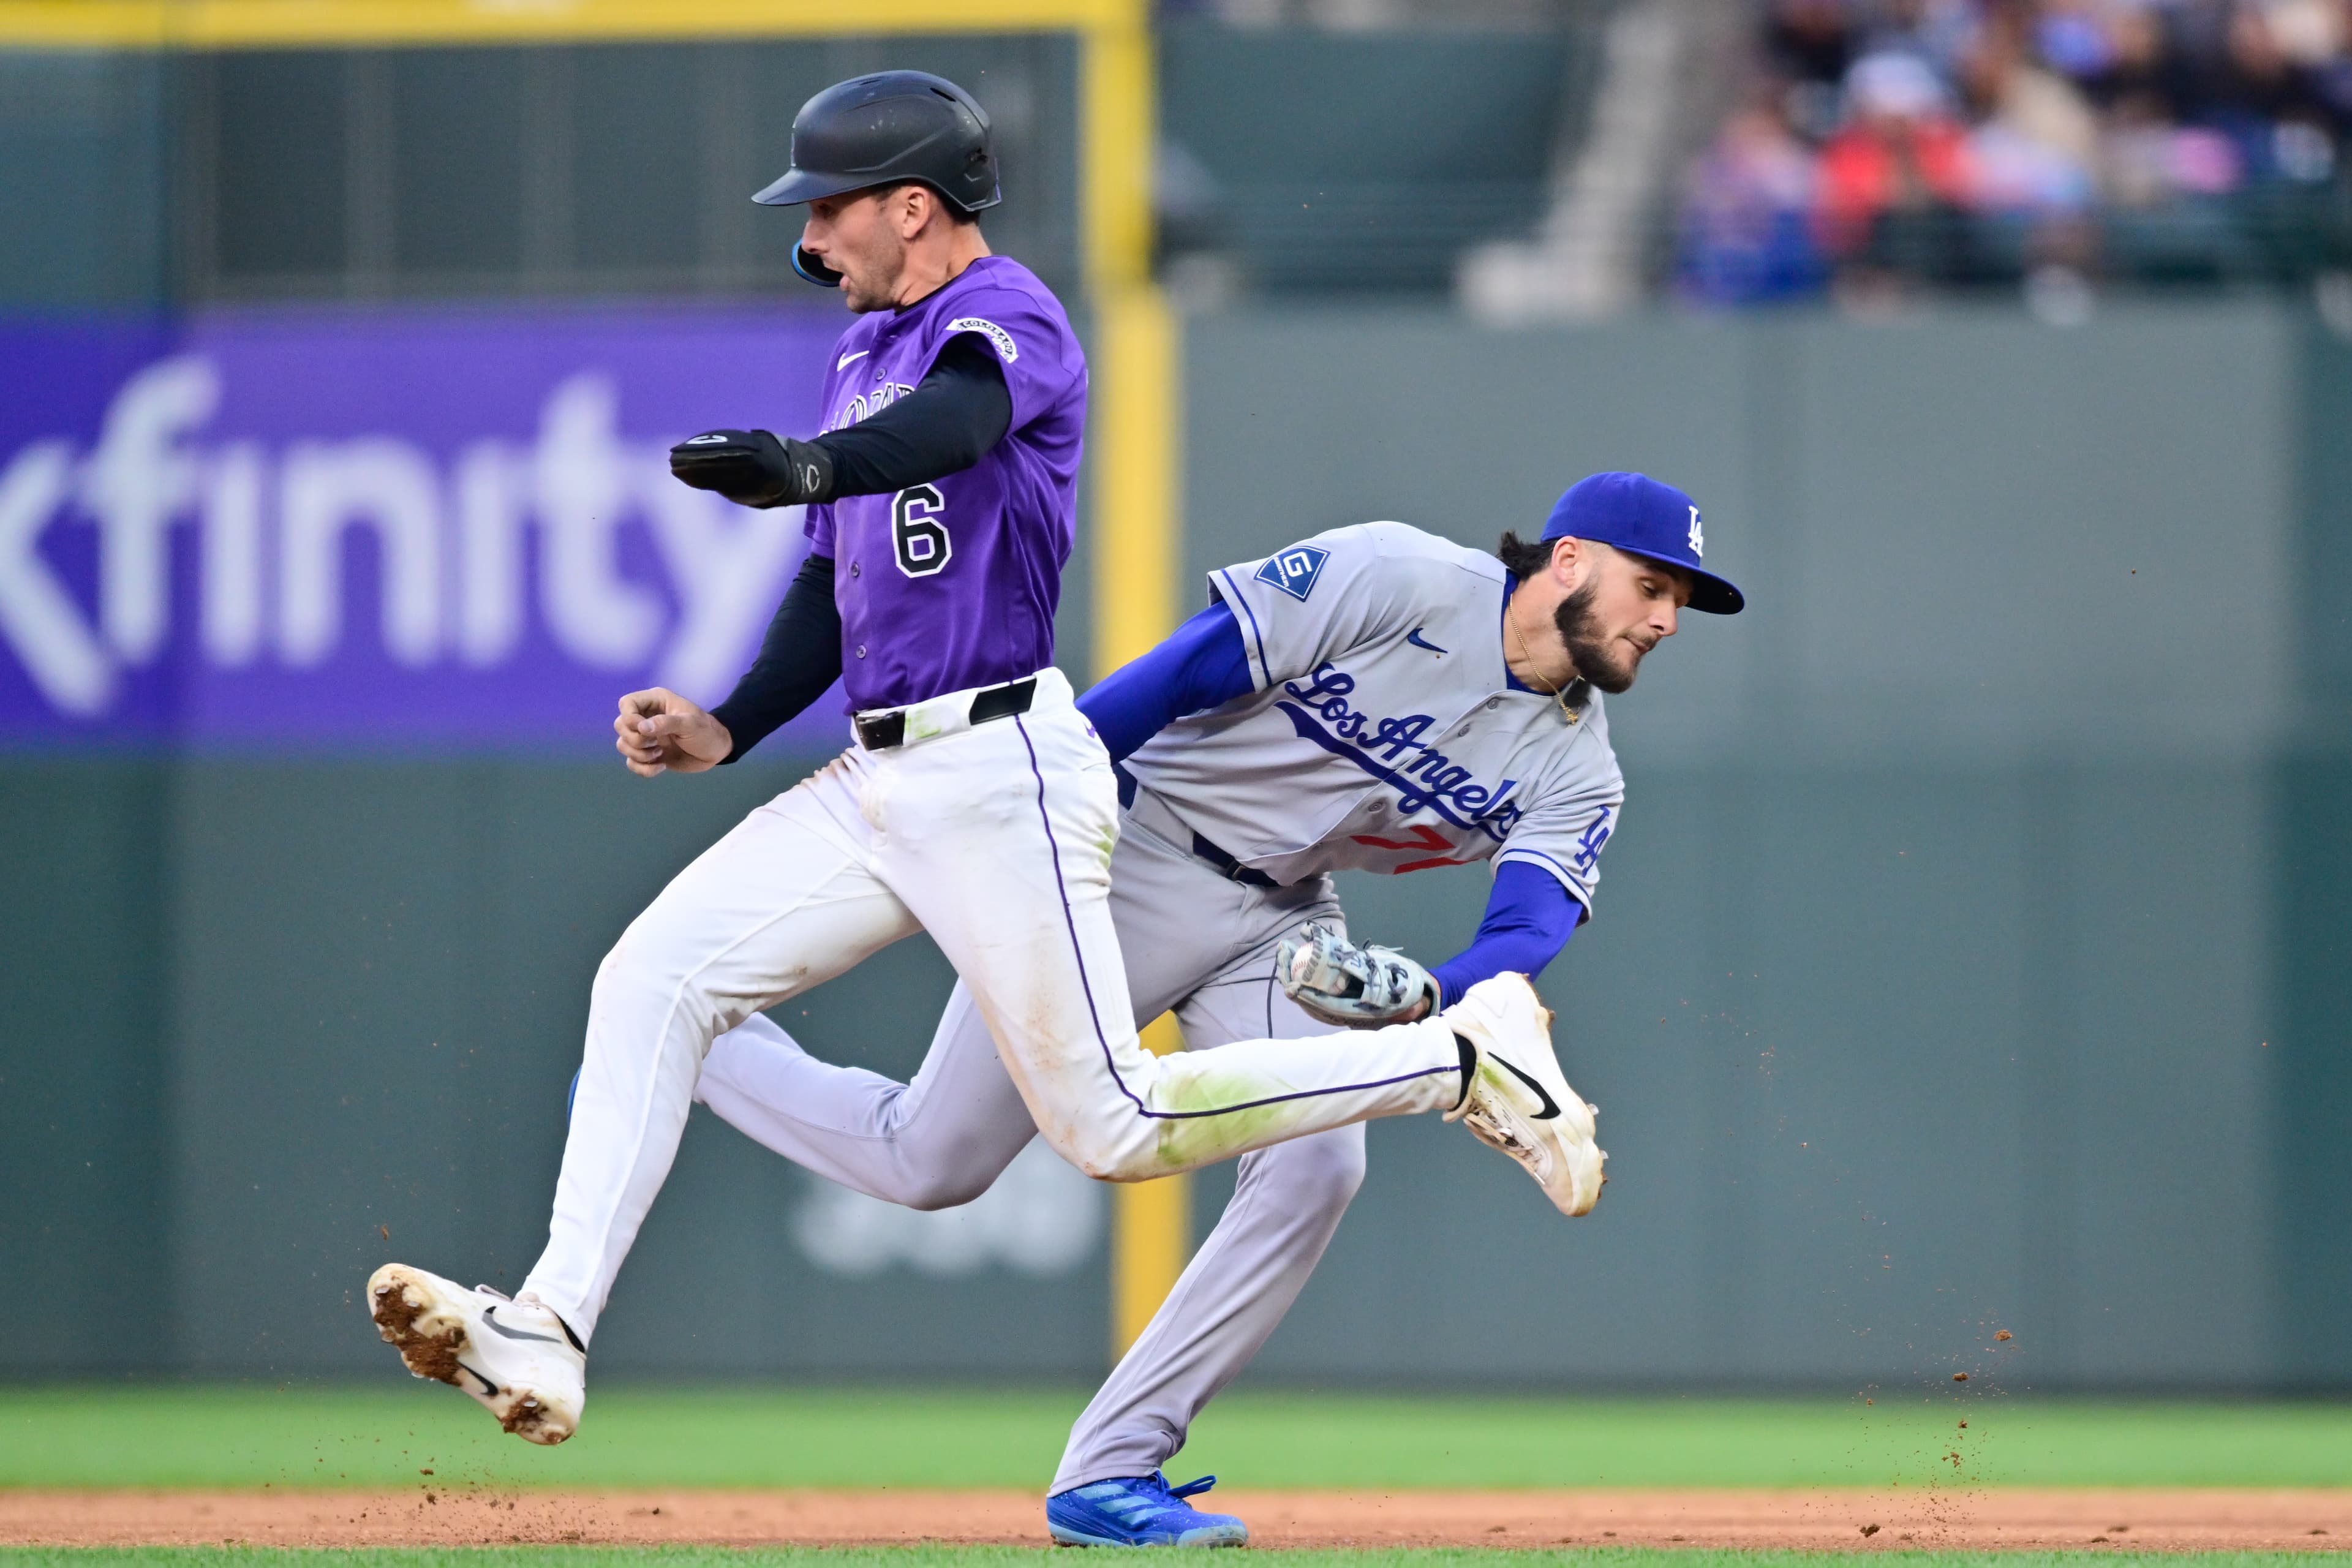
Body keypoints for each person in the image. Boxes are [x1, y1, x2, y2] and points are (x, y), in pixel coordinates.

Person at [360, 70, 1606, 1448]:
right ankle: (550, 1321)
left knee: (1114, 1126)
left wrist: (812, 462)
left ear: (913, 205)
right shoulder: (860, 355)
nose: (810, 240)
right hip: (877, 776)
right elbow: (832, 591)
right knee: (651, 974)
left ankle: (1458, 1064)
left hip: (1002, 762)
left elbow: (955, 425)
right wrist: (730, 722)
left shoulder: (1003, 314)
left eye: (829, 209)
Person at [695, 475, 1745, 1546]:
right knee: (929, 1161)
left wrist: (1435, 990)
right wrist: (1040, 811)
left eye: (1679, 604)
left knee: (1321, 1163)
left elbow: (1527, 928)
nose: (1664, 620)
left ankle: (1110, 1472)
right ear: (1568, 559)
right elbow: (1189, 669)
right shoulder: (1400, 576)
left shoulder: (1580, 766)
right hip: (1130, 850)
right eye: (1651, 585)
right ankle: (691, 1043)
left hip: (1283, 918)